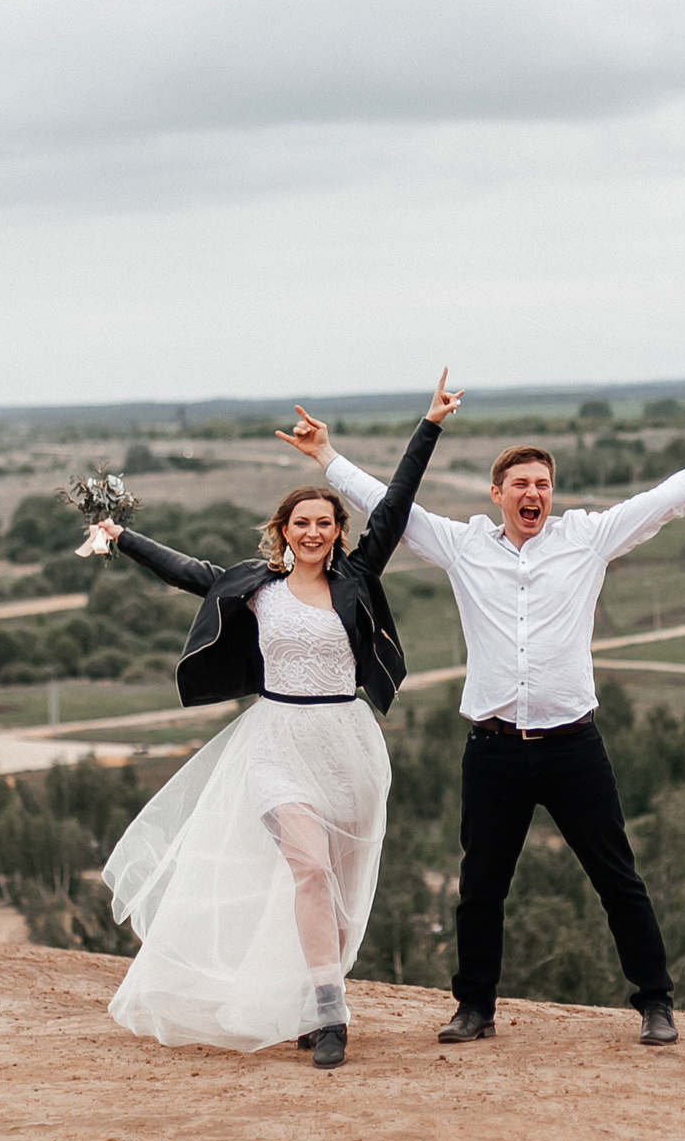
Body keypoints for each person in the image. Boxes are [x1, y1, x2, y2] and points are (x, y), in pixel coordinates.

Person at [291, 399, 685, 1046]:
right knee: (481, 887)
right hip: (493, 748)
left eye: (543, 484)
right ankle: (474, 1008)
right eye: (521, 484)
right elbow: (392, 507)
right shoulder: (463, 546)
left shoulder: (588, 538)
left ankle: (655, 1003)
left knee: (618, 879)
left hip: (572, 745)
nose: (534, 493)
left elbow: (666, 500)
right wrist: (327, 457)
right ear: (497, 494)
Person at [94, 371, 461, 1069]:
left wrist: (430, 425)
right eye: (301, 523)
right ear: (284, 532)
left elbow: (397, 503)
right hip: (275, 742)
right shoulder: (257, 587)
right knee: (310, 870)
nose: (314, 532)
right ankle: (330, 1015)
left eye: (325, 523)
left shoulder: (358, 578)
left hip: (346, 744)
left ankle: (314, 993)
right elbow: (186, 570)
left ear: (338, 531)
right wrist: (121, 536)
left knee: (342, 890)